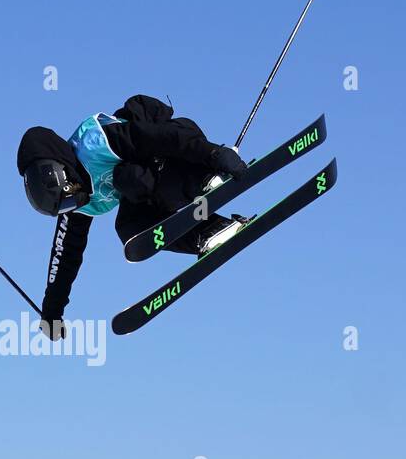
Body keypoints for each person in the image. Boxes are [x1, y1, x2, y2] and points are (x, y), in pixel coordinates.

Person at [17, 95, 248, 336]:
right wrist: (52, 312)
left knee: (129, 177)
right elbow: (65, 254)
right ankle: (211, 231)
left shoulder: (97, 144)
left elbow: (160, 138)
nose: (74, 204)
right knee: (129, 229)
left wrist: (212, 154)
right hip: (157, 189)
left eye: (70, 197)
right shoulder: (78, 206)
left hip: (178, 151)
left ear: (66, 175)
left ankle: (202, 180)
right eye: (66, 207)